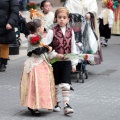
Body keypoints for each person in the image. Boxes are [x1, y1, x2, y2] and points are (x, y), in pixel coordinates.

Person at [43, 7, 78, 115]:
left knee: (66, 83)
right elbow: (45, 45)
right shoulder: (52, 31)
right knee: (55, 83)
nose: (61, 20)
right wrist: (53, 54)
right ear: (56, 19)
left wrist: (74, 63)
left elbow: (73, 47)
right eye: (59, 17)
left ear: (68, 19)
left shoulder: (70, 31)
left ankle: (66, 105)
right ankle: (56, 102)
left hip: (66, 60)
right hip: (54, 61)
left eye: (64, 18)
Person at [20, 19, 56, 116]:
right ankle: (33, 105)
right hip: (35, 64)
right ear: (39, 28)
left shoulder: (39, 36)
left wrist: (49, 49)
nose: (44, 28)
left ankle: (41, 102)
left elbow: (46, 32)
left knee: (42, 84)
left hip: (41, 62)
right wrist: (47, 48)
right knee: (34, 84)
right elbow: (36, 51)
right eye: (43, 26)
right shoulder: (32, 37)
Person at [65, 0, 103, 65]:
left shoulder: (91, 1)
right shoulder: (70, 1)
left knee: (86, 43)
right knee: (74, 42)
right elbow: (67, 9)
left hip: (87, 25)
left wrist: (90, 14)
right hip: (74, 25)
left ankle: (84, 61)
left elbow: (94, 9)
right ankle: (73, 61)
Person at [0, 0, 19, 72]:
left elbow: (15, 11)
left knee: (4, 45)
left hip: (6, 25)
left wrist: (11, 22)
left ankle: (3, 63)